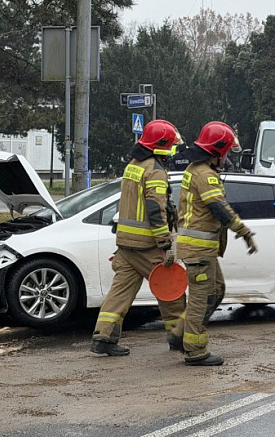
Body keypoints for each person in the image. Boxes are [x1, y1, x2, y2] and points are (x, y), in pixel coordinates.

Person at [90, 120, 186, 356]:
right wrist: (164, 242)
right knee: (171, 291)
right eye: (172, 147)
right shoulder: (155, 170)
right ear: (162, 146)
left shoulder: (133, 165)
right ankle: (180, 338)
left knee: (119, 294)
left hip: (126, 244)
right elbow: (155, 209)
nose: (174, 151)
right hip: (147, 245)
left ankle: (103, 337)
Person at [168, 121, 257, 366]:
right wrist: (244, 231)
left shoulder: (196, 169)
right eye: (226, 150)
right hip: (198, 250)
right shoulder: (205, 175)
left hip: (201, 248)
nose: (227, 156)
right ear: (217, 150)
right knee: (201, 298)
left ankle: (179, 335)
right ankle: (195, 350)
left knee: (216, 291)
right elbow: (219, 208)